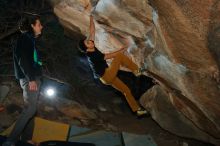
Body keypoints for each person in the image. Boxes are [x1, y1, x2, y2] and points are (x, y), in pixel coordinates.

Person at [78, 15, 149, 117]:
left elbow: (92, 31)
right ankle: (137, 71)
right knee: (119, 56)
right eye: (87, 42)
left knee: (126, 91)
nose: (89, 40)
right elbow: (109, 56)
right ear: (86, 48)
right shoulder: (92, 55)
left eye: (88, 40)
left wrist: (91, 16)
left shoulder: (91, 45)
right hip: (106, 75)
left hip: (106, 78)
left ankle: (137, 110)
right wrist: (123, 49)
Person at [2, 14, 43, 146]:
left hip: (32, 77)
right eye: (39, 24)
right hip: (29, 78)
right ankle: (11, 140)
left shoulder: (29, 39)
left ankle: (26, 139)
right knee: (30, 109)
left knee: (31, 108)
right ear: (32, 26)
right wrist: (31, 79)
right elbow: (23, 60)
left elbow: (31, 60)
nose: (41, 26)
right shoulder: (24, 39)